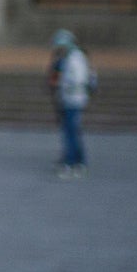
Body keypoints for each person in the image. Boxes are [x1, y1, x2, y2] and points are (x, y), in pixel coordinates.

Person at [49, 29, 96, 178]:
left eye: (60, 47)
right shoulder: (69, 57)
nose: (59, 50)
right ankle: (79, 162)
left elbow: (78, 80)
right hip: (69, 98)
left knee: (70, 132)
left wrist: (64, 87)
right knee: (73, 131)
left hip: (73, 100)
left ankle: (70, 163)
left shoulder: (76, 58)